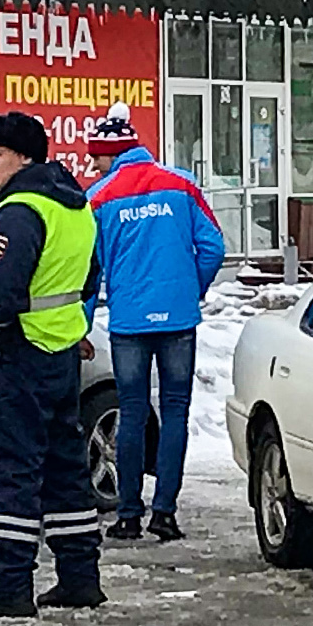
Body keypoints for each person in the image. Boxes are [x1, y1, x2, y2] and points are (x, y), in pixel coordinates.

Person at [0, 112, 104, 617]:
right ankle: (80, 576)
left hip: (15, 357)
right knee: (64, 469)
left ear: (24, 157)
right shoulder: (75, 207)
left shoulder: (20, 211)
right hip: (58, 354)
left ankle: (10, 587)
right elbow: (85, 283)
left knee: (10, 469)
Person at [83, 104, 226, 542]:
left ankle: (127, 515)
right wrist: (190, 289)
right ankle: (164, 513)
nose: (94, 165)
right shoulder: (181, 184)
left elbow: (89, 270)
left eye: (97, 158)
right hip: (178, 319)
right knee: (176, 411)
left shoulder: (100, 198)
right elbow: (214, 246)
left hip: (129, 321)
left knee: (131, 412)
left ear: (112, 154)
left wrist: (83, 325)